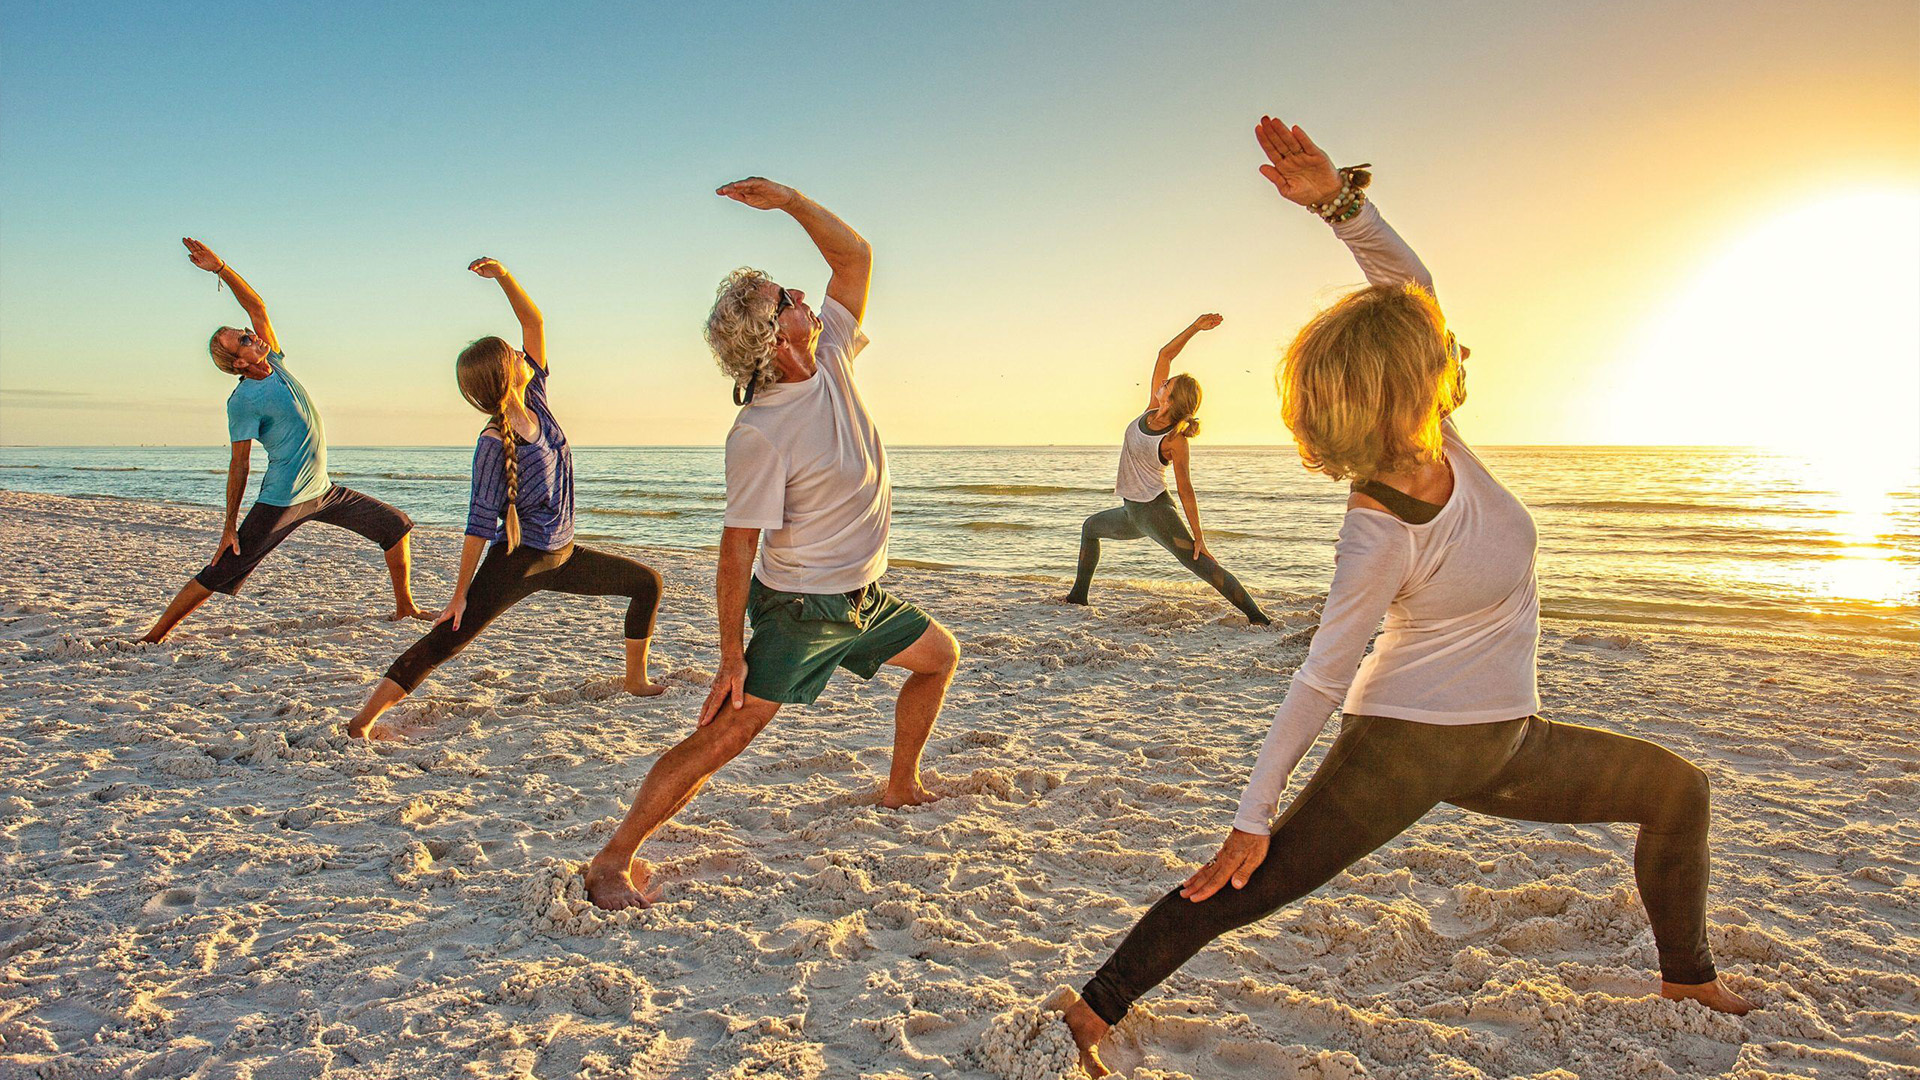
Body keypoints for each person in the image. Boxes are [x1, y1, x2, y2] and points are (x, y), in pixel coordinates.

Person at [1053, 116, 1751, 1075]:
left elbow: (1410, 291)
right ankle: (1090, 1010)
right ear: (1405, 388)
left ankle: (1688, 977)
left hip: (1510, 737)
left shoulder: (1443, 440)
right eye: (1441, 351)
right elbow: (1320, 674)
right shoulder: (1378, 526)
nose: (1458, 347)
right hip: (1404, 747)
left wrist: (1341, 206)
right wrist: (1253, 814)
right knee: (1251, 884)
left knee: (1677, 792)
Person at [583, 178, 961, 910]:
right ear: (772, 333)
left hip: (862, 597)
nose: (803, 294)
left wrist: (790, 201)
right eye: (786, 295)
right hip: (801, 609)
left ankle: (901, 783)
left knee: (939, 658)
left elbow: (855, 258)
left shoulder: (834, 355)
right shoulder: (760, 430)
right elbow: (735, 551)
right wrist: (731, 655)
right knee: (730, 733)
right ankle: (613, 858)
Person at [344, 258, 666, 739]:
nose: (522, 353)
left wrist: (504, 278)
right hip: (518, 561)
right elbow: (478, 523)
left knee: (647, 584)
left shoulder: (534, 396)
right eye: (512, 355)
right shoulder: (493, 443)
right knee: (447, 640)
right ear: (503, 373)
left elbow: (534, 322)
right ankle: (361, 722)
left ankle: (636, 680)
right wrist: (458, 595)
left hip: (564, 554)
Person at [142, 238, 426, 644]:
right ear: (238, 363)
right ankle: (154, 636)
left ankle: (405, 606)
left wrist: (221, 268)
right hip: (283, 499)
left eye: (243, 332)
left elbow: (256, 307)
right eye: (241, 341)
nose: (249, 335)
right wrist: (228, 527)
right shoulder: (242, 401)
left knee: (395, 526)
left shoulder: (273, 361)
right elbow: (239, 465)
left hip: (323, 491)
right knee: (222, 569)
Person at [1064, 314, 1271, 624]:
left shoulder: (1174, 440)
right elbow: (1165, 354)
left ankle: (1257, 618)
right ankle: (1077, 597)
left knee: (1202, 566)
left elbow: (1185, 490)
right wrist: (1195, 328)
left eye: (1168, 384)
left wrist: (1199, 536)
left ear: (1173, 398)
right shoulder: (1150, 410)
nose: (1162, 383)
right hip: (1132, 513)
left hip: (1156, 514)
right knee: (1090, 529)